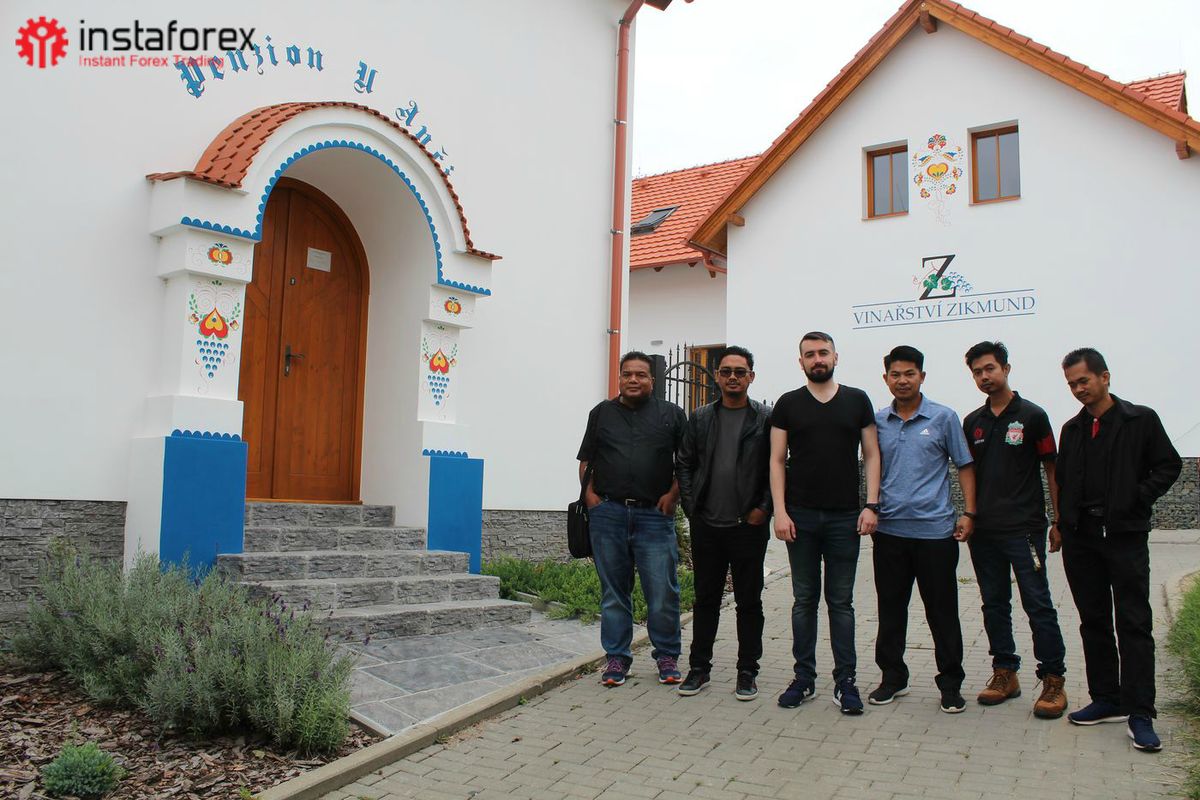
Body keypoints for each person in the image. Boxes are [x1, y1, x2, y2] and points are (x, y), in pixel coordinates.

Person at [1056, 347, 1181, 752]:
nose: (1078, 389)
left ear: (1104, 377)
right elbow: (1064, 479)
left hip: (1124, 536)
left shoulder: (1139, 420)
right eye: (1072, 384)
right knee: (1093, 620)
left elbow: (1169, 465)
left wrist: (1136, 499)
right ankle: (1107, 698)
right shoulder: (1072, 429)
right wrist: (1063, 523)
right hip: (1082, 539)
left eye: (1084, 381)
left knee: (1133, 622)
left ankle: (1140, 710)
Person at [769, 332, 881, 714]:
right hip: (799, 517)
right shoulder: (788, 404)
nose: (817, 359)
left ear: (835, 357)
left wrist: (871, 505)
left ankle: (845, 681)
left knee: (841, 603)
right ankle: (804, 679)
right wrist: (780, 511)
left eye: (823, 353)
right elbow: (776, 460)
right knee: (804, 601)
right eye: (809, 354)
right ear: (800, 361)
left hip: (845, 518)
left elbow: (871, 454)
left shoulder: (857, 400)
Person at [962, 341, 1068, 718]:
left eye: (990, 368)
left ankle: (1053, 679)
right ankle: (1005, 672)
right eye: (977, 371)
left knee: (1037, 603)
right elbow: (967, 472)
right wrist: (969, 515)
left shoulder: (1033, 416)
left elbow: (1052, 469)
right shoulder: (972, 422)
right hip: (984, 532)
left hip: (1024, 529)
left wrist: (1058, 520)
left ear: (1006, 369)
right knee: (994, 603)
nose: (984, 376)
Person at [870, 345, 976, 714]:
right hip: (890, 533)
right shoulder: (877, 421)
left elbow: (964, 465)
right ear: (886, 379)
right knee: (891, 610)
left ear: (922, 376)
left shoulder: (944, 417)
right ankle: (892, 677)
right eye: (895, 375)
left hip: (936, 534)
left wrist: (969, 512)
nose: (902, 381)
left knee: (942, 612)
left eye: (909, 374)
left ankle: (950, 683)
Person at [577, 351, 687, 688]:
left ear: (652, 380)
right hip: (608, 514)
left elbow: (686, 462)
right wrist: (590, 498)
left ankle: (666, 655)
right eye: (627, 374)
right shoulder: (601, 413)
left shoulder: (672, 415)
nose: (634, 380)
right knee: (613, 592)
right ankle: (617, 658)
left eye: (641, 374)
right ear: (620, 378)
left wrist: (673, 496)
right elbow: (586, 459)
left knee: (662, 592)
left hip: (654, 515)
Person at [675, 346, 773, 700]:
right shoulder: (701, 417)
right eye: (726, 371)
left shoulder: (765, 418)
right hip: (708, 525)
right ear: (716, 376)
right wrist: (691, 508)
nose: (733, 377)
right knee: (705, 600)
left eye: (740, 372)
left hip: (748, 525)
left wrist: (764, 508)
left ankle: (747, 672)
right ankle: (699, 669)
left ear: (751, 376)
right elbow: (684, 463)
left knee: (749, 602)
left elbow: (778, 466)